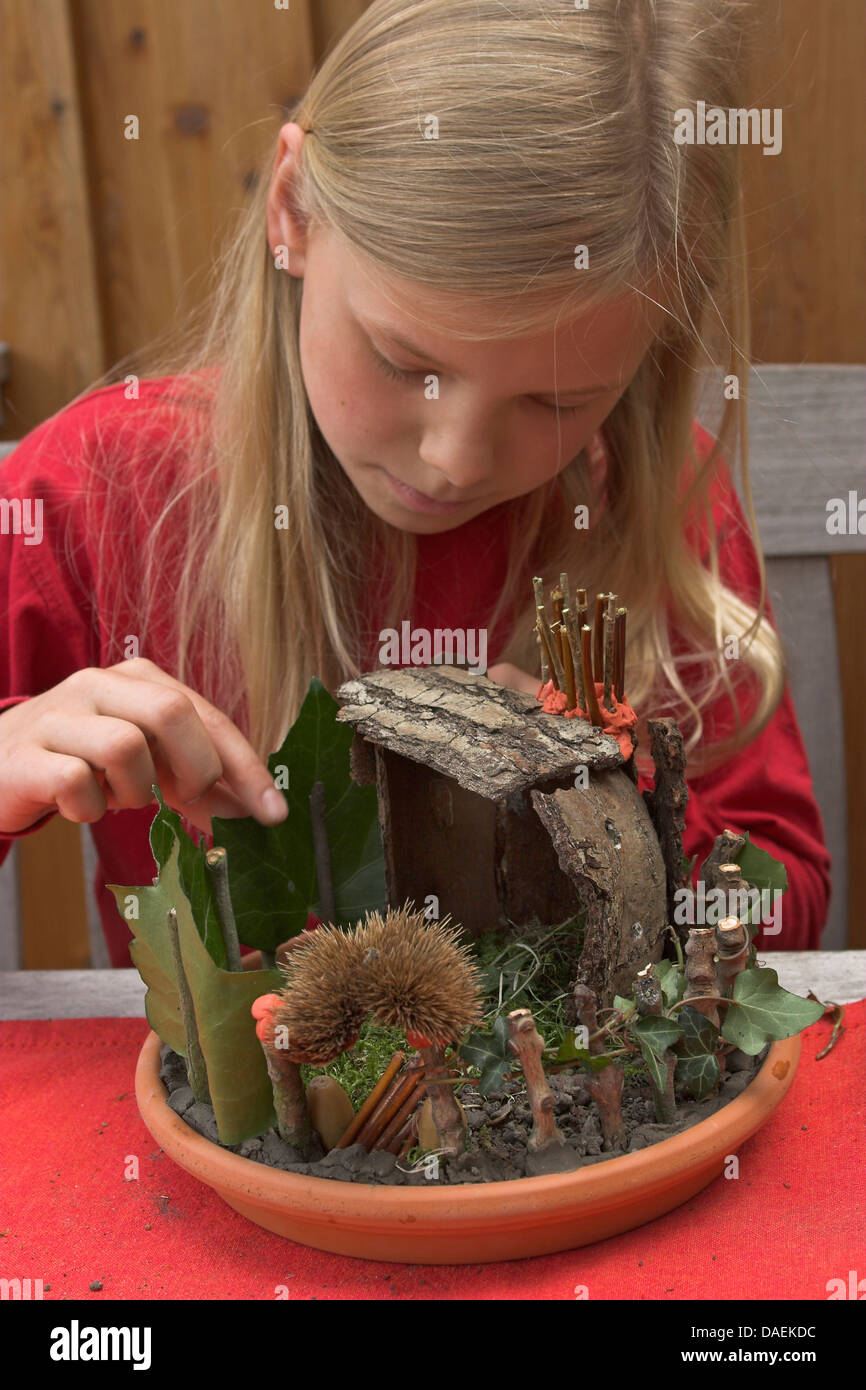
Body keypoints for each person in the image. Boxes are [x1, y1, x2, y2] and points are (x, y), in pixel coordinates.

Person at [0, 0, 831, 964]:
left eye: (556, 403)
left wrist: (615, 819)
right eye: (404, 363)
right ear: (292, 212)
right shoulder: (93, 493)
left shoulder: (649, 495)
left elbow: (786, 901)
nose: (456, 459)